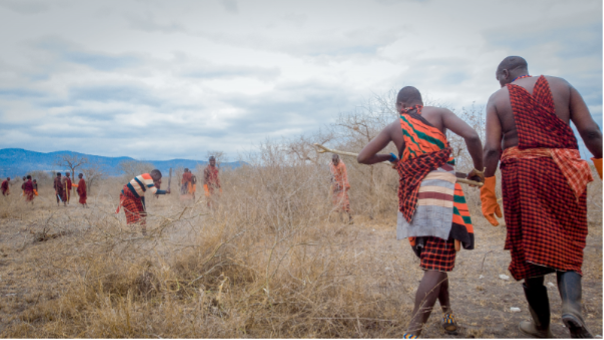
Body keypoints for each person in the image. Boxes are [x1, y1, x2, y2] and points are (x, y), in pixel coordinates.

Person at [481, 56, 602, 340]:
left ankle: (541, 326)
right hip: (566, 172)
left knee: (526, 245)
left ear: (506, 72)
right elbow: (591, 131)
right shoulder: (563, 86)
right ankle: (572, 308)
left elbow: (490, 150)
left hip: (522, 176)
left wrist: (487, 190)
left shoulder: (498, 98)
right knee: (568, 239)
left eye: (498, 77)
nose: (498, 82)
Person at [358, 86, 484, 339]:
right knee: (435, 265)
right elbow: (471, 136)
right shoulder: (439, 113)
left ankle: (447, 314)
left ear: (400, 105)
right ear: (418, 102)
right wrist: (479, 171)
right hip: (440, 196)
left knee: (434, 262)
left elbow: (363, 157)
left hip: (412, 199)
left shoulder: (394, 126)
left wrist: (390, 157)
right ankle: (412, 334)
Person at [116, 170, 170, 235]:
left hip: (135, 198)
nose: (158, 180)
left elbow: (141, 194)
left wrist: (143, 209)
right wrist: (166, 191)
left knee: (143, 215)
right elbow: (154, 191)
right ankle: (133, 234)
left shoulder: (145, 179)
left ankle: (144, 234)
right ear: (155, 174)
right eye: (158, 178)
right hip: (127, 197)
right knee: (135, 216)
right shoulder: (147, 177)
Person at [330, 154, 353, 223]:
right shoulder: (331, 164)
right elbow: (332, 174)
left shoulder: (342, 165)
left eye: (336, 162)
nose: (335, 164)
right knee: (336, 203)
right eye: (334, 162)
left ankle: (350, 219)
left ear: (338, 160)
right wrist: (334, 182)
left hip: (343, 185)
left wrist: (342, 185)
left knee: (345, 203)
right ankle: (341, 219)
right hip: (335, 186)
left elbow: (345, 176)